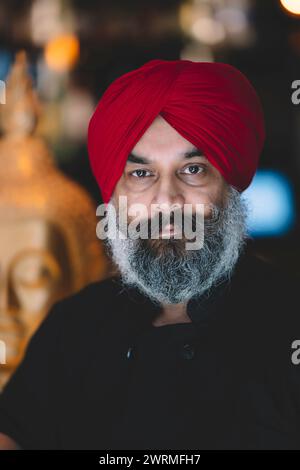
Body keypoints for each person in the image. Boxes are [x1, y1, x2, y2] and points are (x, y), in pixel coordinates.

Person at [0, 59, 299, 450]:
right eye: (141, 174)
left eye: (193, 169)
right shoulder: (72, 328)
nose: (166, 201)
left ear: (230, 186)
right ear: (115, 198)